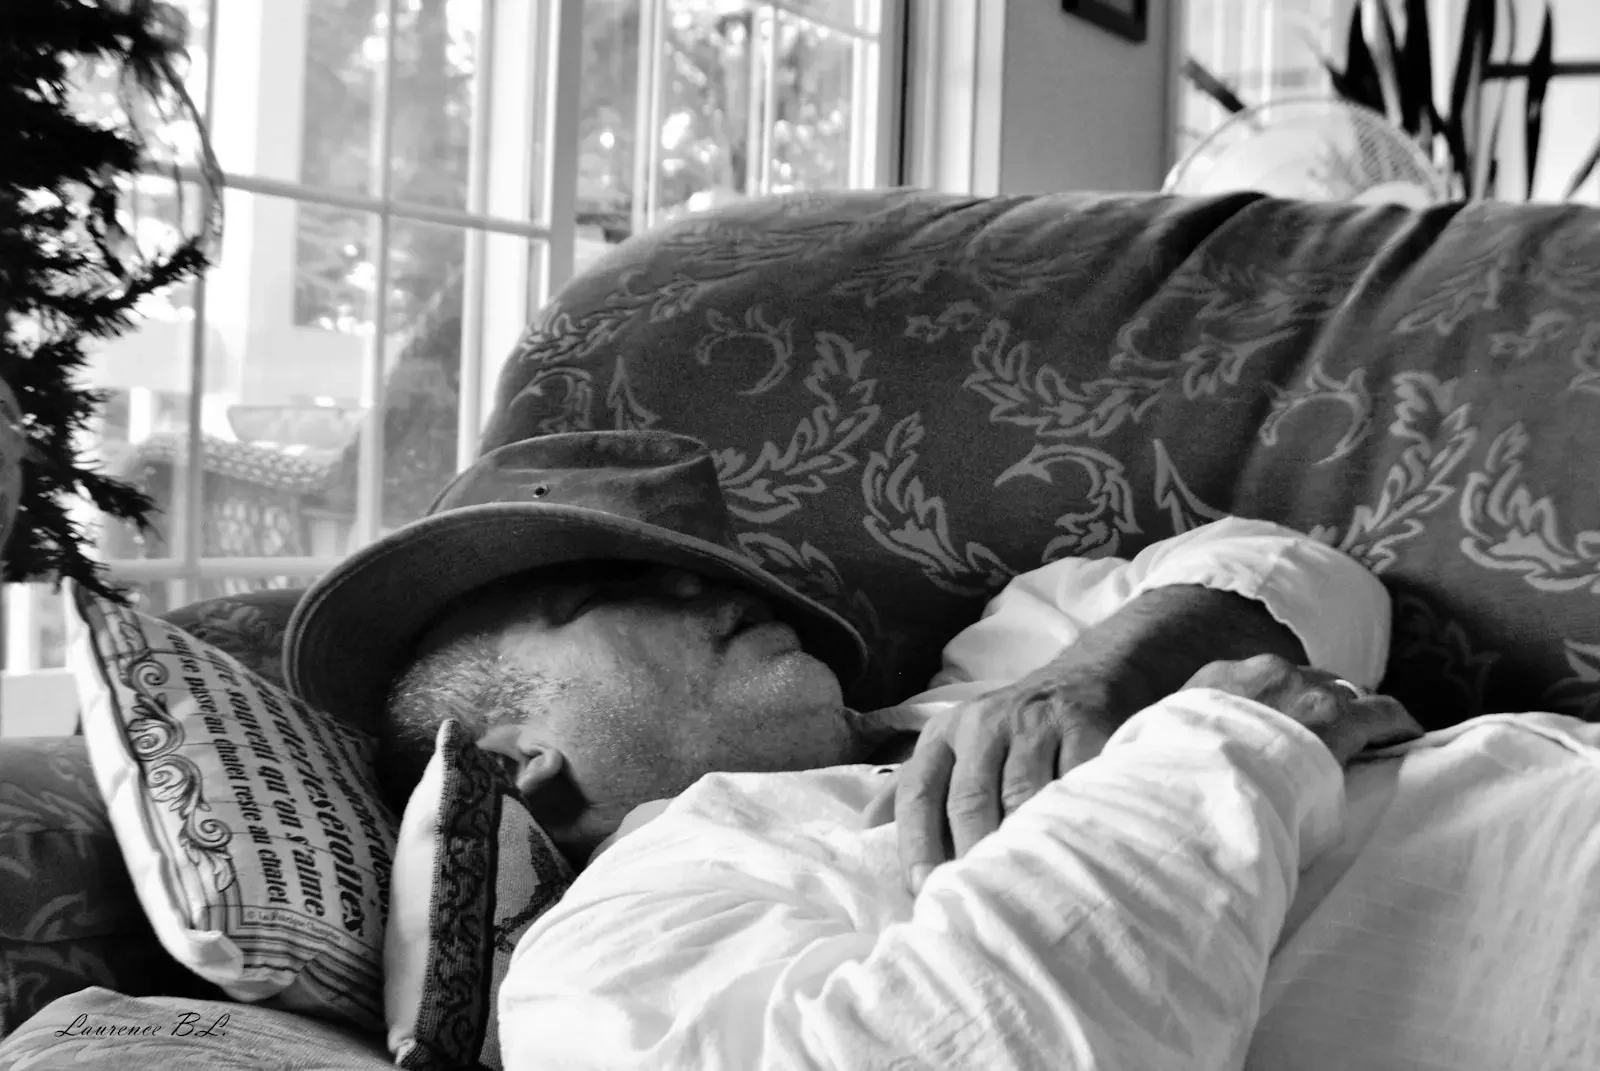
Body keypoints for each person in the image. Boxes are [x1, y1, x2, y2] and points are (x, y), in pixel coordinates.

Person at [283, 429, 1600, 1069]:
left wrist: (1099, 672)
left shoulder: (996, 658)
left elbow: (1315, 580)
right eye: (610, 594)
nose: (708, 583)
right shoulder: (611, 942)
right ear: (519, 754)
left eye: (705, 563)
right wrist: (1228, 741)